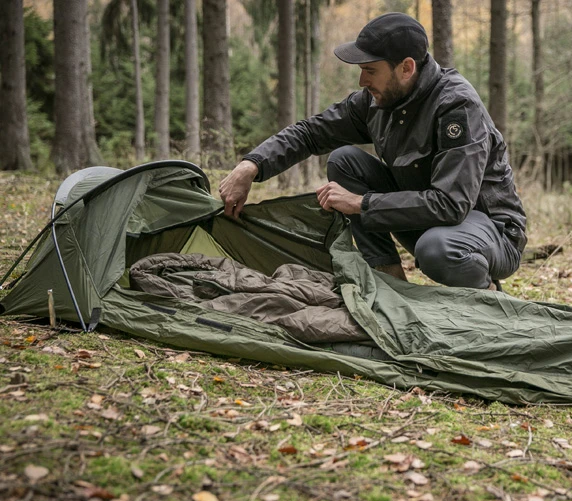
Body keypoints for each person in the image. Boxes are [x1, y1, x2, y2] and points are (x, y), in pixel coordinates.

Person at [218, 12, 527, 291]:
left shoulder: (456, 106)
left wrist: (361, 203)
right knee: (345, 161)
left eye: (370, 70)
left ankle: (486, 296)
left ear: (406, 68)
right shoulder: (376, 101)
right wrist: (251, 165)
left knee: (437, 249)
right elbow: (312, 132)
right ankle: (391, 280)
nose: (362, 80)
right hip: (430, 222)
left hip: (492, 233)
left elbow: (450, 204)